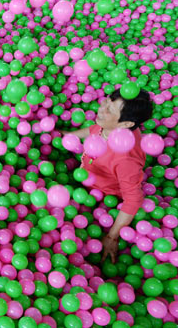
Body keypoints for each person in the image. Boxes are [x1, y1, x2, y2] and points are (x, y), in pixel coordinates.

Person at [64, 88, 153, 263]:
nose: (101, 108)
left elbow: (133, 200)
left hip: (102, 197)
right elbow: (93, 129)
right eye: (106, 101)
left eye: (109, 109)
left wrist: (112, 236)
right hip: (86, 174)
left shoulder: (126, 159)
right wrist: (69, 137)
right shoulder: (108, 125)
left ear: (125, 124)